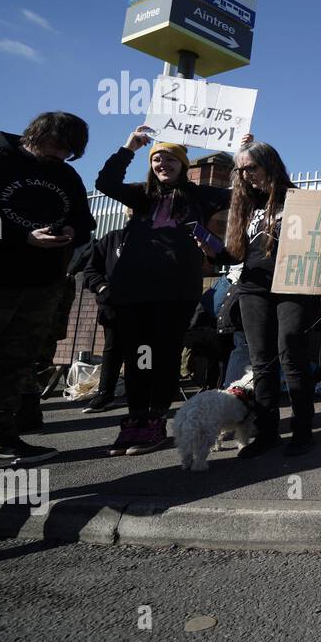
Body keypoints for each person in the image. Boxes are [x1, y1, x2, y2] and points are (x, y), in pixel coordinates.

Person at [0, 112, 93, 467]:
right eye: (57, 147)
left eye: (68, 152)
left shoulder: (66, 175)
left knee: (13, 365)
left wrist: (73, 232)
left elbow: (84, 221)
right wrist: (21, 236)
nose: (60, 156)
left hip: (40, 285)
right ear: (37, 135)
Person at [95, 127, 231, 456]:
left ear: (183, 164)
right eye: (156, 158)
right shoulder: (142, 195)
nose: (162, 164)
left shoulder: (200, 196)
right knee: (138, 355)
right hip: (134, 289)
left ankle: (156, 419)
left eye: (170, 158)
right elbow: (105, 184)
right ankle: (135, 418)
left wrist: (242, 154)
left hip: (175, 290)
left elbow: (244, 194)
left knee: (166, 353)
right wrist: (129, 147)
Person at [212, 138, 320, 459]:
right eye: (240, 170)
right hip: (253, 288)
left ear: (270, 164)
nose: (245, 176)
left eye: (251, 168)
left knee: (291, 352)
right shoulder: (245, 205)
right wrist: (212, 249)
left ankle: (302, 430)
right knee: (262, 361)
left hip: (293, 286)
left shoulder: (296, 197)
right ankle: (267, 432)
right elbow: (235, 255)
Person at [80, 227, 127, 413]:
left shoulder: (155, 237)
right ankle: (105, 393)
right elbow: (90, 269)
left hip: (144, 304)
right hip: (113, 306)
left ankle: (138, 392)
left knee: (142, 350)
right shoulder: (112, 238)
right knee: (113, 349)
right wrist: (101, 288)